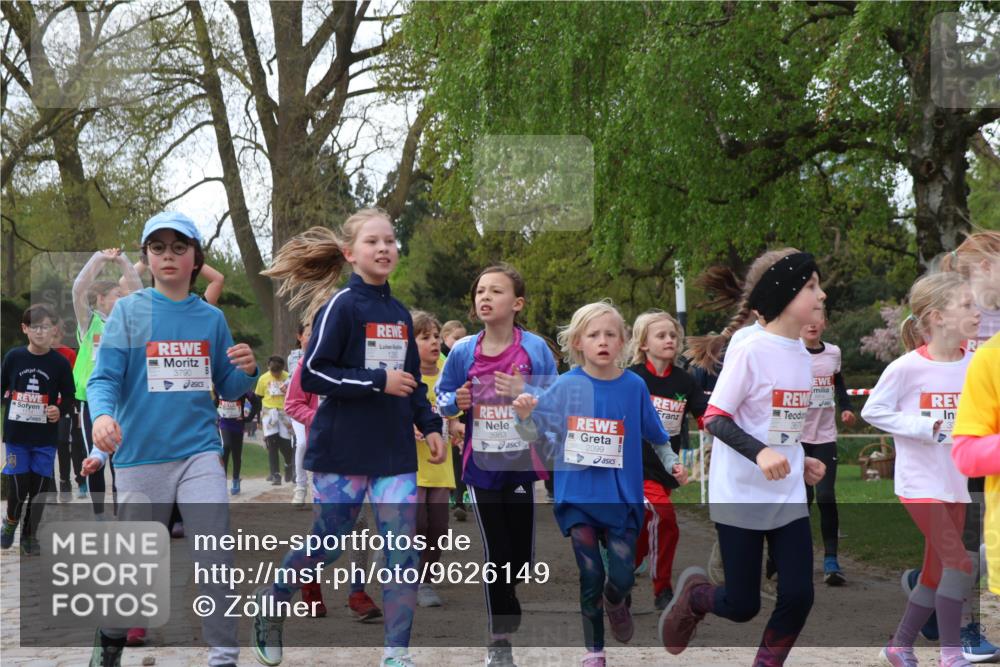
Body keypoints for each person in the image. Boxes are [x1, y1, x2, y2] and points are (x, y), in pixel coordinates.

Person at [252, 209, 445, 667]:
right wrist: (377, 382)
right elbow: (314, 373)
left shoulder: (400, 314)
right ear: (350, 253)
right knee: (330, 541)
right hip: (342, 451)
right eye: (373, 241)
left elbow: (411, 383)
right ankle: (273, 600)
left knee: (402, 548)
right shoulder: (341, 306)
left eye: (391, 240)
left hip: (395, 454)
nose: (384, 248)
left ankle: (396, 655)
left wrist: (432, 425)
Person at [81, 211, 258, 667]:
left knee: (214, 552)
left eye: (179, 248)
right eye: (158, 248)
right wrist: (101, 419)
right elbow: (104, 380)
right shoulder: (128, 311)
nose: (168, 256)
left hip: (199, 452)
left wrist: (247, 371)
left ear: (196, 257)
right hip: (141, 457)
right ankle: (110, 639)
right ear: (147, 257)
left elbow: (229, 387)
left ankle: (224, 655)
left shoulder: (211, 318)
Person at [660, 249, 828, 666]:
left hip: (786, 493)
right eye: (811, 287)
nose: (822, 295)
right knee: (741, 604)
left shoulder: (806, 358)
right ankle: (696, 596)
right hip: (740, 491)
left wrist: (799, 455)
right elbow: (715, 418)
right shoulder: (750, 348)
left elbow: (778, 422)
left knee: (799, 595)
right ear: (784, 294)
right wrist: (762, 453)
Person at [513, 301, 686, 667]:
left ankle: (616, 600)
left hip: (621, 498)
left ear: (624, 340)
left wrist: (673, 464)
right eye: (593, 335)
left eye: (610, 334)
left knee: (620, 577)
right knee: (590, 573)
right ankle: (595, 651)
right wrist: (525, 415)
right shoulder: (566, 386)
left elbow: (657, 436)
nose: (602, 341)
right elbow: (532, 433)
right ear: (578, 342)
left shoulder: (634, 386)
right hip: (577, 497)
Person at [436, 264, 557, 667]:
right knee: (495, 551)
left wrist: (528, 391)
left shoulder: (534, 348)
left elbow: (556, 397)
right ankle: (499, 643)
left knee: (520, 556)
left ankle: (508, 596)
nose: (485, 297)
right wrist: (457, 404)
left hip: (523, 462)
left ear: (517, 303)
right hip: (480, 466)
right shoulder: (463, 350)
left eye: (496, 291)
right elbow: (443, 396)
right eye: (480, 291)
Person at [862, 272, 981, 667]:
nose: (976, 311)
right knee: (961, 563)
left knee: (933, 575)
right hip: (919, 484)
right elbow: (873, 410)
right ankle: (951, 655)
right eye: (966, 304)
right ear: (937, 317)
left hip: (956, 482)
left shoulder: (977, 366)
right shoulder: (906, 368)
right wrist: (925, 426)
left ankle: (899, 645)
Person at [283, 315, 383, 621]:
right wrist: (324, 421)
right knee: (329, 528)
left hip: (361, 451)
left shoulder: (359, 362)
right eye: (314, 333)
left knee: (361, 524)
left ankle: (357, 592)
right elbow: (292, 404)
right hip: (326, 453)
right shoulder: (309, 366)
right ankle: (310, 581)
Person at [627, 310, 703, 611]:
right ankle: (662, 589)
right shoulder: (632, 378)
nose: (669, 340)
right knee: (665, 517)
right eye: (661, 335)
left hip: (664, 466)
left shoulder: (685, 381)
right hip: (633, 467)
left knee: (645, 532)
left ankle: (620, 577)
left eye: (673, 335)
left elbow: (704, 414)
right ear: (644, 343)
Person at [72, 248, 143, 517]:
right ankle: (99, 516)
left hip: (124, 400)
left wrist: (124, 260)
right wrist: (101, 258)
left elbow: (137, 291)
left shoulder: (130, 324)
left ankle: (120, 514)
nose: (123, 298)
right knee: (96, 457)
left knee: (120, 459)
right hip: (93, 401)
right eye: (117, 295)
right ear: (101, 299)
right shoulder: (89, 322)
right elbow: (78, 289)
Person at [0, 304, 76, 554]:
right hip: (16, 436)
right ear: (25, 329)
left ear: (53, 330)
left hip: (45, 437)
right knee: (19, 485)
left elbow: (69, 397)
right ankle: (11, 523)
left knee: (40, 488)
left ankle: (30, 535)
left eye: (45, 327)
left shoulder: (59, 363)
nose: (40, 332)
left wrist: (59, 410)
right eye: (35, 327)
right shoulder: (14, 358)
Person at [799, 312, 856, 586]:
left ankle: (831, 559)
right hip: (795, 438)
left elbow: (839, 382)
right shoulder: (790, 353)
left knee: (825, 494)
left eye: (817, 319)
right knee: (801, 500)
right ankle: (789, 557)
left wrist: (845, 407)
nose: (811, 324)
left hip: (824, 436)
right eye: (806, 319)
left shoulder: (833, 352)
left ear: (825, 324)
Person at [410, 310, 455, 608]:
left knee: (438, 527)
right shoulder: (402, 374)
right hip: (408, 463)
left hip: (440, 460)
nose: (434, 342)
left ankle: (426, 581)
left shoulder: (448, 371)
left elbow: (455, 413)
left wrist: (460, 426)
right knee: (418, 523)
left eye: (437, 336)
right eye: (425, 337)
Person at [49, 316, 85, 502]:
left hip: (65, 407)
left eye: (56, 336)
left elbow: (72, 383)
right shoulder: (41, 354)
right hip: (45, 407)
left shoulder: (69, 354)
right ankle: (54, 483)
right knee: (49, 446)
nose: (52, 339)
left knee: (66, 444)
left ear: (61, 335)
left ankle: (71, 480)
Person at [440, 319, 469, 520]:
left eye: (462, 338)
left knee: (460, 455)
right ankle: (450, 494)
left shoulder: (464, 357)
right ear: (445, 337)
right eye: (455, 338)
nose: (459, 341)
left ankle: (459, 498)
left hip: (461, 414)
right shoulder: (440, 358)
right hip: (441, 414)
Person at [255, 356, 294, 485]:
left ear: (283, 369)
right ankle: (275, 474)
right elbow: (258, 398)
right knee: (272, 443)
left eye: (278, 372)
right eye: (273, 372)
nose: (276, 374)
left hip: (284, 413)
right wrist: (258, 419)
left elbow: (294, 396)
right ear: (268, 368)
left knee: (286, 444)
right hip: (269, 412)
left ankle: (289, 465)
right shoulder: (263, 379)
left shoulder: (288, 377)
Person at [217, 390, 259, 495]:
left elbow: (257, 403)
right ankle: (222, 482)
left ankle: (236, 480)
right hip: (224, 423)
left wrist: (248, 418)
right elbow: (214, 401)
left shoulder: (243, 387)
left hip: (238, 425)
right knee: (225, 447)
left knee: (236, 453)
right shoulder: (219, 385)